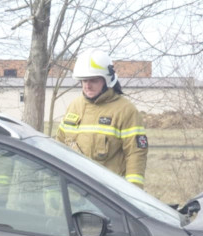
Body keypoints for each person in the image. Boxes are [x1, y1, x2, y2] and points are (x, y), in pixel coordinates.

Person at [55, 50, 148, 188]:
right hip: (75, 191)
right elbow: (59, 147)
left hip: (109, 195)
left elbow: (135, 154)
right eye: (84, 80)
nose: (87, 85)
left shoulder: (125, 111)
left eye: (93, 80)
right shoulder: (74, 107)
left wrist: (133, 194)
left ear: (107, 80)